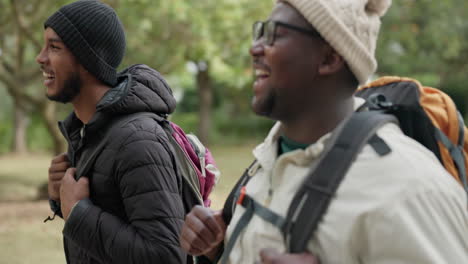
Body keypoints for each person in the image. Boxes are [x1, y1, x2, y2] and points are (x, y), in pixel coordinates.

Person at [179, 0, 468, 263]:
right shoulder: (271, 160)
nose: (255, 48)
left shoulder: (408, 189)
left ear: (329, 58)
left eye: (276, 35)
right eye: (261, 32)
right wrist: (219, 247)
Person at [37, 1, 187, 263]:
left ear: (87, 59)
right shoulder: (90, 133)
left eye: (54, 47)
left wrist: (78, 213)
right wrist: (61, 199)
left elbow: (167, 256)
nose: (41, 58)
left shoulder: (139, 141)